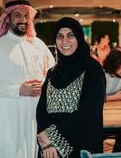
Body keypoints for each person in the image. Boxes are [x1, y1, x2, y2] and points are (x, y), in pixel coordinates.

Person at [0, 0, 55, 158]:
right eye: (18, 15)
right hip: (7, 123)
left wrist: (45, 83)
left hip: (34, 119)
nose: (23, 20)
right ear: (7, 18)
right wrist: (18, 90)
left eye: (27, 15)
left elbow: (52, 71)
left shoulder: (38, 45)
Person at [36, 17, 106, 158]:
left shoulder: (92, 69)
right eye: (59, 36)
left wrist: (52, 137)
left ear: (79, 38)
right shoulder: (52, 73)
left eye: (70, 35)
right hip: (50, 150)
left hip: (81, 145)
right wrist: (45, 140)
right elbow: (41, 108)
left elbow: (89, 112)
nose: (65, 41)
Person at [103, 49, 121, 152]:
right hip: (102, 110)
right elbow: (95, 97)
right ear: (112, 66)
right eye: (120, 68)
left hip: (119, 109)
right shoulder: (101, 73)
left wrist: (105, 98)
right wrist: (113, 97)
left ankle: (116, 152)